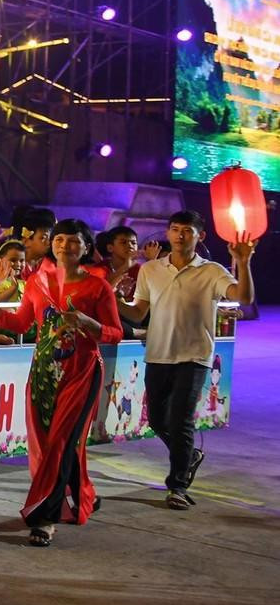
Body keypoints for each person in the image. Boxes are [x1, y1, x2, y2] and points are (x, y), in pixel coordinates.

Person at [0, 218, 122, 547]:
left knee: (61, 443)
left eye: (73, 240)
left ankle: (45, 517)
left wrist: (89, 323)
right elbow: (21, 323)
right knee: (47, 443)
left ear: (86, 247)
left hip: (81, 372)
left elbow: (114, 333)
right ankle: (83, 494)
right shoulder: (37, 281)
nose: (65, 245)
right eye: (59, 239)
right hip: (43, 372)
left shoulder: (98, 287)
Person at [120, 211, 256, 509]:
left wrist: (244, 262)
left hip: (195, 356)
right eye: (174, 229)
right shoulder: (151, 269)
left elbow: (244, 298)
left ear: (200, 236)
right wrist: (113, 299)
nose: (179, 235)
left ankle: (177, 486)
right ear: (168, 233)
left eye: (187, 230)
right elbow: (138, 312)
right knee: (157, 420)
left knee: (181, 420)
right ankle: (189, 455)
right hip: (158, 353)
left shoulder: (212, 271)